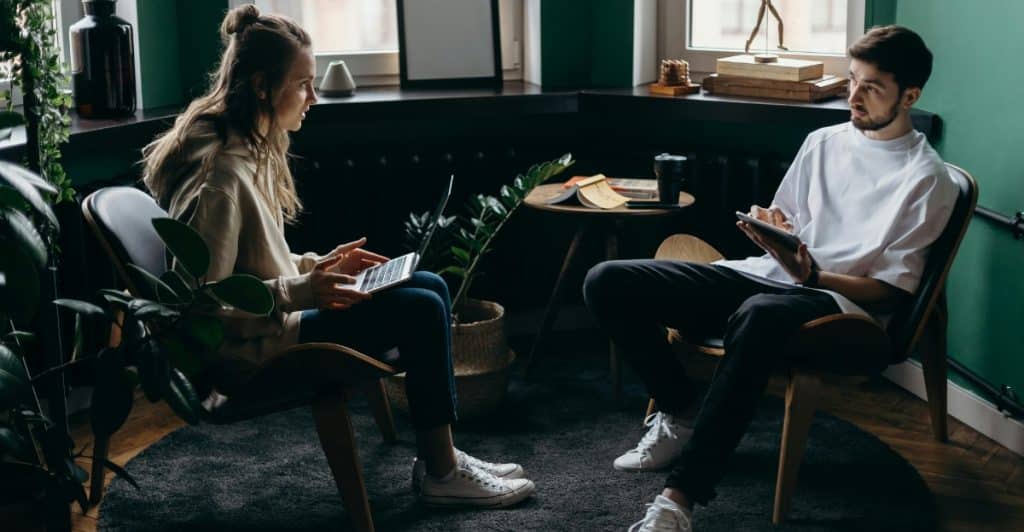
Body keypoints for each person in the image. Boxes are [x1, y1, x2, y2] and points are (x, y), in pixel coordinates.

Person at [141, 5, 534, 509]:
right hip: (252, 355)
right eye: (303, 83)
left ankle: (444, 456)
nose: (314, 96)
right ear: (263, 87)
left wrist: (317, 265)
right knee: (422, 308)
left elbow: (255, 264)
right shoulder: (222, 176)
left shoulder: (249, 148)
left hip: (277, 325)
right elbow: (200, 307)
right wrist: (303, 290)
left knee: (430, 285)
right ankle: (441, 471)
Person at [583, 26, 956, 531]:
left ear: (910, 95)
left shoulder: (928, 178)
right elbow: (789, 215)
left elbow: (890, 291)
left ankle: (680, 500)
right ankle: (681, 409)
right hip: (772, 276)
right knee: (607, 280)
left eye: (871, 88)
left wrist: (815, 273)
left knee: (756, 315)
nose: (853, 97)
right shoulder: (823, 141)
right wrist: (773, 228)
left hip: (841, 307)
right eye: (851, 81)